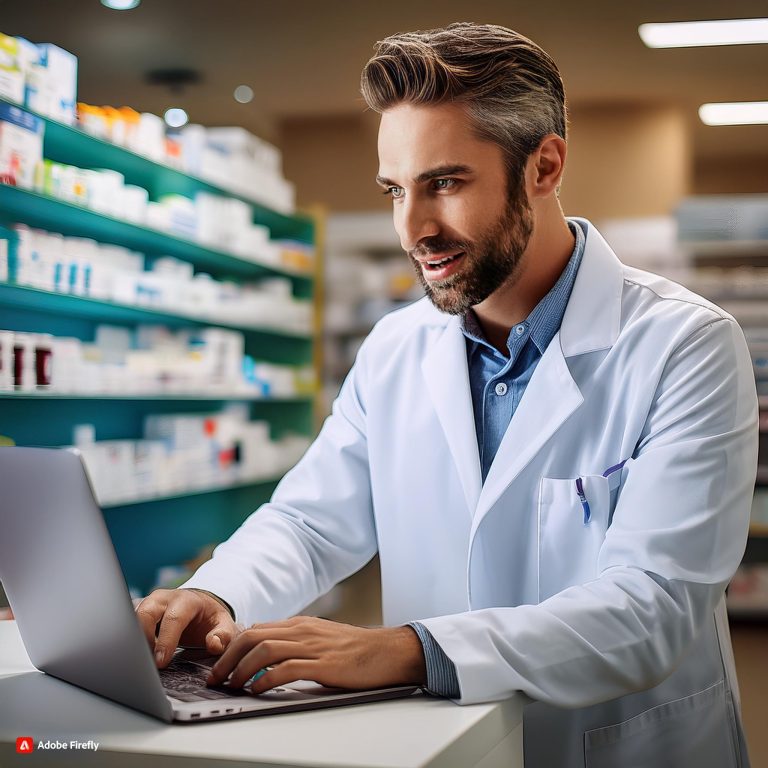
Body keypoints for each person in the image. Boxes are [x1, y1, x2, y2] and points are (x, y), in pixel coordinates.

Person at [137, 22, 757, 768]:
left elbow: (653, 606)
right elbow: (310, 521)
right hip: (444, 744)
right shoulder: (398, 348)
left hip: (620, 747)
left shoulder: (684, 345)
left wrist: (408, 650)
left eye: (446, 183)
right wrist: (220, 593)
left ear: (545, 166)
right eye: (396, 190)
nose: (414, 229)